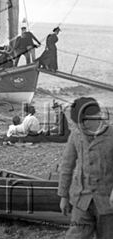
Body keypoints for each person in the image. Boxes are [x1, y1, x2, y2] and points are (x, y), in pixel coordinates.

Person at [58, 96, 113, 238]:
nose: (79, 127)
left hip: (108, 205)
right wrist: (63, 196)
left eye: (83, 123)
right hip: (81, 202)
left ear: (97, 117)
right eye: (76, 123)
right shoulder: (76, 135)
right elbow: (66, 166)